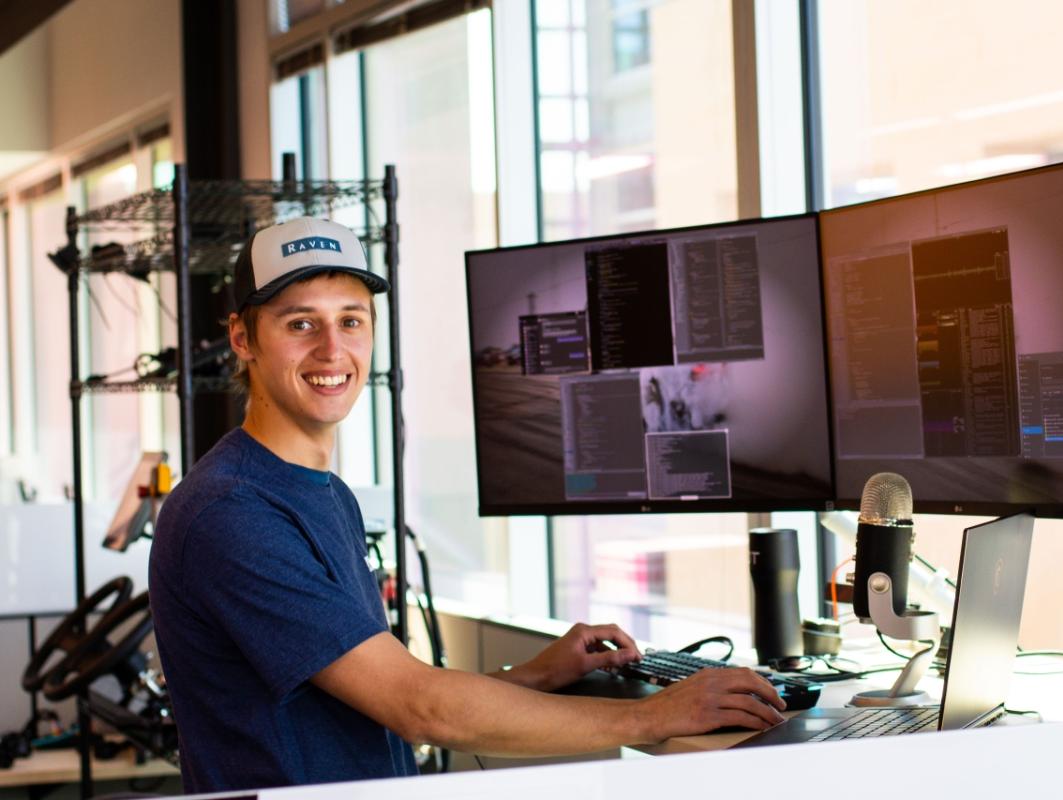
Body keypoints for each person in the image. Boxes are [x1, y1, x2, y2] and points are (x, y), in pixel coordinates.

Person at [148, 217, 784, 793]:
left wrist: (536, 675)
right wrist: (657, 715)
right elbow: (420, 708)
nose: (332, 350)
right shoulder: (230, 512)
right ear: (241, 337)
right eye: (299, 323)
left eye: (351, 319)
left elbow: (376, 706)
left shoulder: (324, 495)